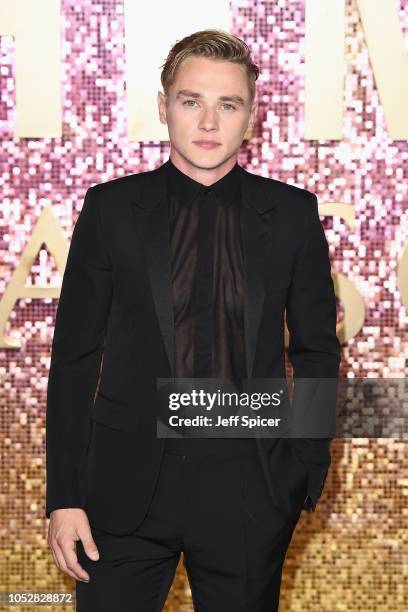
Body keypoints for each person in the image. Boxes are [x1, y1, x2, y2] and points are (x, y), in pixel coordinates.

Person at [46, 29, 341, 611]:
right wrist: (65, 496)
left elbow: (316, 350)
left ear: (250, 116)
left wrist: (302, 469)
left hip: (250, 493)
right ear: (163, 107)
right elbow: (75, 358)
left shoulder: (291, 215)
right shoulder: (109, 211)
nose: (209, 121)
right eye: (191, 101)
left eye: (227, 104)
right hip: (120, 496)